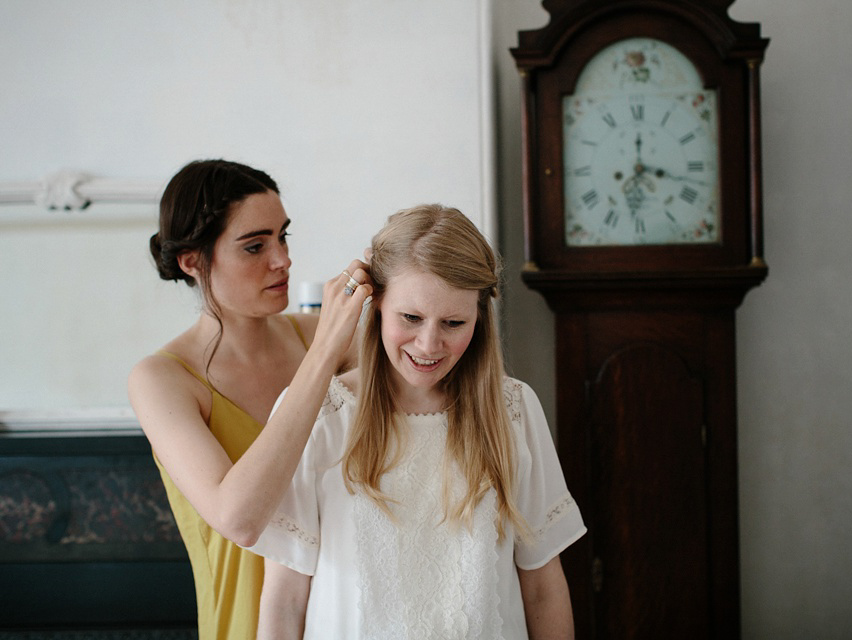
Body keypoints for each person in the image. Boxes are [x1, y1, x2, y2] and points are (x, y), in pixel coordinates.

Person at [249, 203, 586, 639]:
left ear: (480, 318)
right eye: (411, 318)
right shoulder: (317, 416)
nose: (429, 344)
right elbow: (285, 599)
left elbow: (542, 587)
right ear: (376, 304)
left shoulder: (514, 410)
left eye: (453, 322)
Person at [127, 159, 372, 640]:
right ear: (192, 261)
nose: (282, 259)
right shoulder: (162, 379)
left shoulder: (318, 337)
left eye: (283, 237)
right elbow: (238, 520)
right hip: (242, 623)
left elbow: (433, 372)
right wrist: (323, 355)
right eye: (255, 246)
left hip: (346, 614)